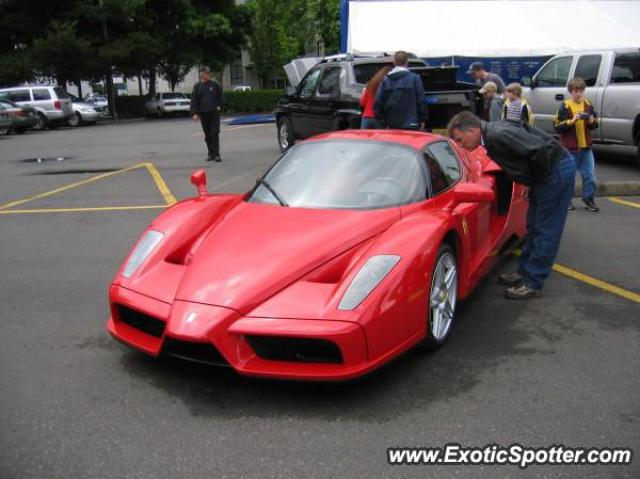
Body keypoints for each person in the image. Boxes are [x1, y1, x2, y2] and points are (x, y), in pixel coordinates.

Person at [448, 111, 576, 300]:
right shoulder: (492, 134)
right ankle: (524, 272)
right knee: (533, 226)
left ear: (472, 130)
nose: (461, 146)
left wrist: (538, 181)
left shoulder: (498, 135)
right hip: (547, 173)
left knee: (545, 230)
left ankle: (533, 282)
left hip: (554, 172)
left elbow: (538, 151)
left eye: (460, 140)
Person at [553, 77, 599, 212]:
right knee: (568, 177)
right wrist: (572, 120)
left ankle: (588, 199)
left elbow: (594, 123)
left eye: (581, 91)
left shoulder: (588, 104)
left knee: (589, 176)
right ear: (570, 92)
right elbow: (557, 126)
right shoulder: (565, 106)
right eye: (575, 91)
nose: (579, 94)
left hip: (586, 147)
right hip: (569, 148)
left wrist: (591, 121)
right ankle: (567, 200)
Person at [373, 51, 426, 130]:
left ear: (394, 62)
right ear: (407, 62)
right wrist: (422, 119)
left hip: (392, 124)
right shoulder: (414, 78)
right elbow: (421, 100)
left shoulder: (386, 80)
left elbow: (378, 102)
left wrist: (382, 120)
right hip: (412, 124)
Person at [190, 66, 223, 162]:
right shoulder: (197, 86)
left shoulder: (215, 84)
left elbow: (220, 97)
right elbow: (194, 100)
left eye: (208, 73)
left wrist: (219, 106)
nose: (207, 75)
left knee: (215, 133)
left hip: (214, 113)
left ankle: (217, 154)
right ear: (201, 74)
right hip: (203, 114)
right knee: (207, 135)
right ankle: (210, 153)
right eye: (205, 73)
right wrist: (194, 113)